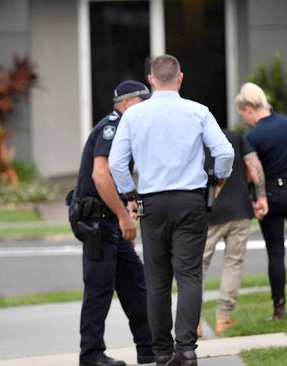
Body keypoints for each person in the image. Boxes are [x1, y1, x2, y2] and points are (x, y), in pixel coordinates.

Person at [109, 55, 234, 366]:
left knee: (157, 280)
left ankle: (162, 351)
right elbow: (225, 152)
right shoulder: (198, 111)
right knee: (190, 275)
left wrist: (129, 194)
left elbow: (115, 162)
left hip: (152, 202)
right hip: (190, 200)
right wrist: (217, 178)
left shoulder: (134, 115)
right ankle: (187, 348)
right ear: (180, 78)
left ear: (151, 80)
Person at [68, 80, 154, 366]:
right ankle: (91, 355)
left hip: (108, 222)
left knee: (134, 282)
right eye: (145, 103)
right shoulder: (113, 126)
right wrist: (121, 215)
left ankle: (149, 348)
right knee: (99, 288)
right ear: (128, 102)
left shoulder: (124, 126)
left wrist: (127, 202)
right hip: (98, 223)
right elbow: (101, 175)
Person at [235, 82, 287, 319]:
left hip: (270, 197)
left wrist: (252, 198)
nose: (245, 119)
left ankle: (279, 307)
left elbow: (250, 172)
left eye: (243, 114)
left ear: (248, 108)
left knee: (276, 253)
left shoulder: (253, 136)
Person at [201, 129, 268, 336]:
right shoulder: (235, 137)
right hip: (240, 210)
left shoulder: (193, 139)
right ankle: (224, 318)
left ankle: (192, 320)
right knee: (233, 263)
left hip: (207, 212)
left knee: (196, 266)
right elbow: (254, 164)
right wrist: (261, 196)